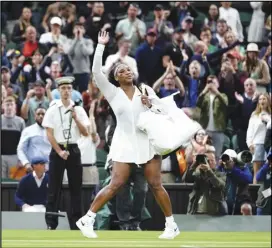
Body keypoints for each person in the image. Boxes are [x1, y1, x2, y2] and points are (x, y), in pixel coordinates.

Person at [76, 31, 180, 239]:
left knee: (155, 184)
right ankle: (87, 219)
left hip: (146, 142)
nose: (128, 72)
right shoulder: (112, 93)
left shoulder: (145, 90)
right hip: (124, 142)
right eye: (123, 70)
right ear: (116, 77)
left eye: (129, 69)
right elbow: (96, 72)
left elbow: (164, 112)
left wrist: (150, 104)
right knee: (115, 183)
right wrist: (101, 46)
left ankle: (171, 225)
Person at [42, 76, 90, 230]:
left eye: (69, 88)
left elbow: (86, 132)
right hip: (57, 150)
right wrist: (59, 151)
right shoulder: (52, 109)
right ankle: (51, 223)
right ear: (58, 90)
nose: (66, 91)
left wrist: (76, 118)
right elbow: (49, 133)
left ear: (72, 90)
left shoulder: (79, 109)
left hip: (73, 149)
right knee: (54, 189)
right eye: (63, 88)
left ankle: (76, 224)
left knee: (76, 188)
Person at [17, 107, 51, 172]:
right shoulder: (28, 130)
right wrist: (26, 163)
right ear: (35, 116)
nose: (41, 116)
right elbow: (20, 149)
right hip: (32, 168)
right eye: (38, 114)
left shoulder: (52, 131)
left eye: (43, 114)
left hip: (49, 169)